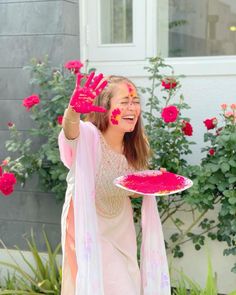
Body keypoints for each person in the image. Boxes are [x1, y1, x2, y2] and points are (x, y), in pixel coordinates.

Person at [58, 72, 171, 295]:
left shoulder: (135, 147)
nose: (132, 108)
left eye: (136, 102)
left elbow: (129, 190)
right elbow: (70, 133)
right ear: (106, 107)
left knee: (128, 282)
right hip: (89, 229)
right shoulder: (89, 136)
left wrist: (154, 183)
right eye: (125, 102)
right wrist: (72, 112)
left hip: (121, 227)